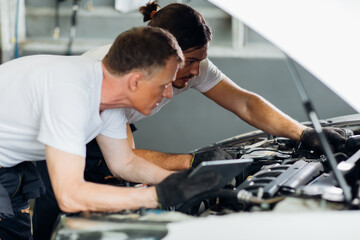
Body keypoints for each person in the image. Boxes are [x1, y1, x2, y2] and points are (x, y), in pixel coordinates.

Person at [33, 2, 350, 239]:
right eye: (192, 61)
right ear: (166, 54)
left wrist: (305, 133)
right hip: (56, 152)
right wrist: (191, 163)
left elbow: (245, 102)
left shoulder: (187, 66)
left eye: (203, 59)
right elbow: (118, 157)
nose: (198, 72)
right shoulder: (116, 75)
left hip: (105, 148)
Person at [0, 26, 222, 240]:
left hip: (12, 165)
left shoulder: (105, 97)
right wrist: (154, 196)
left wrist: (181, 183)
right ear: (135, 81)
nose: (168, 94)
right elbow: (69, 195)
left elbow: (124, 163)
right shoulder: (71, 94)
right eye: (163, 85)